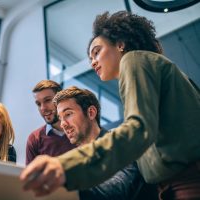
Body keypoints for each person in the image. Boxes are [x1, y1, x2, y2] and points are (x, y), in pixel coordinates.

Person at [20, 11, 200, 199]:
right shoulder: (160, 69)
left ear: (120, 44)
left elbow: (139, 129)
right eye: (91, 59)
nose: (93, 63)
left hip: (187, 183)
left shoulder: (134, 59)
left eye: (96, 52)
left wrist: (65, 166)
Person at [54, 86, 145, 200]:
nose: (63, 124)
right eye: (60, 118)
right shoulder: (75, 159)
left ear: (91, 113)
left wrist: (65, 186)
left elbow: (119, 189)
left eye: (68, 114)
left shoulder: (119, 142)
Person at [26, 80, 76, 165]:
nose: (43, 108)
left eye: (47, 100)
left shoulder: (81, 130)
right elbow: (30, 177)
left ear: (61, 100)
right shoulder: (34, 139)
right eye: (38, 104)